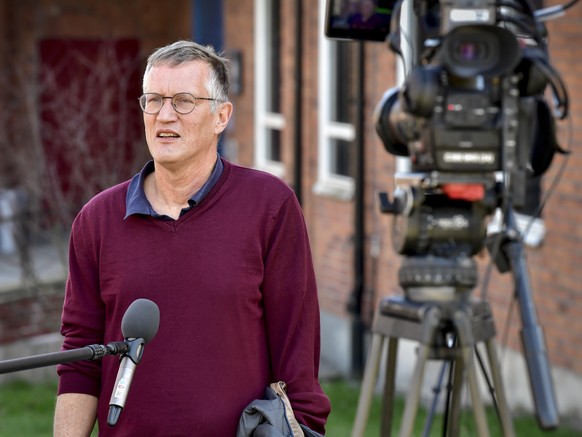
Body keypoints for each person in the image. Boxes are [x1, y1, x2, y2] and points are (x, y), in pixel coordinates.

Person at [53, 40, 331, 436]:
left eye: (183, 101)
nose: (165, 115)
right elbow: (80, 357)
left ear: (221, 116)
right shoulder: (96, 221)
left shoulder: (270, 206)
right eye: (153, 100)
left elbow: (297, 356)